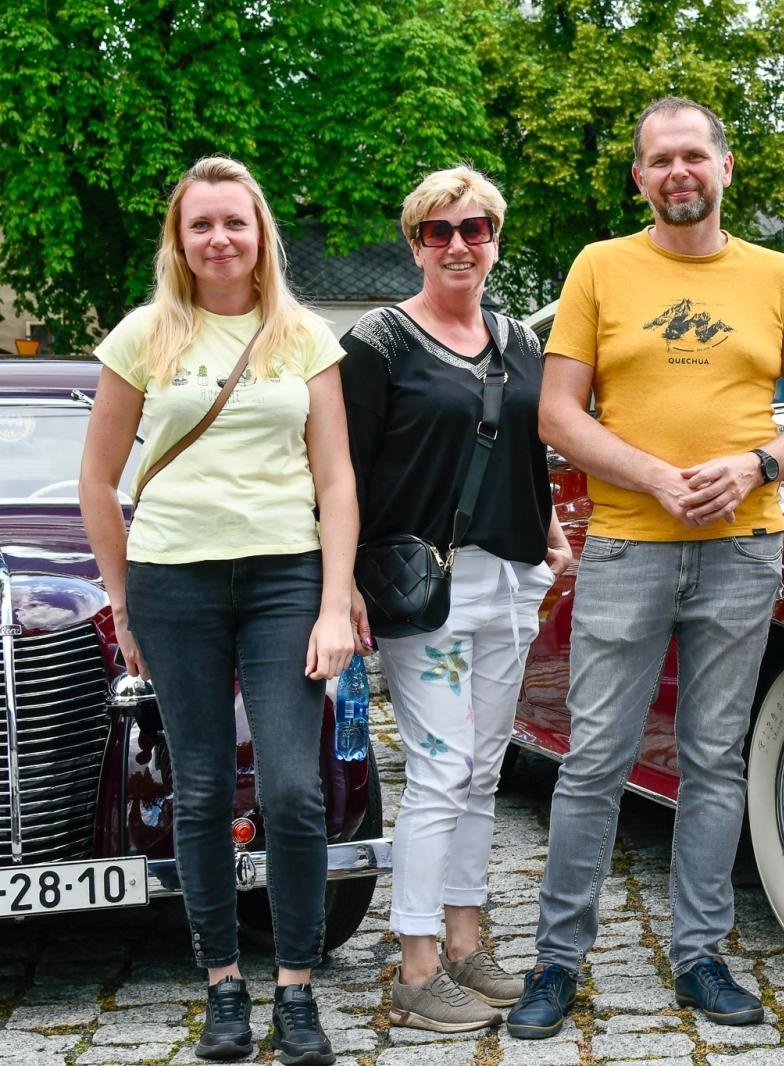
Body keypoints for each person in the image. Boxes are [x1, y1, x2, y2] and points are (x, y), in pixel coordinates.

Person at [507, 96, 784, 1039]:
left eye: (694, 155)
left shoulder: (776, 276)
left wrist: (756, 465)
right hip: (625, 543)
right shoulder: (600, 267)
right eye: (660, 160)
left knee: (714, 758)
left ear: (725, 167)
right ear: (640, 177)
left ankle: (700, 956)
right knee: (594, 759)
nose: (678, 171)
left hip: (742, 544)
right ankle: (557, 962)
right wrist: (656, 477)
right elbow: (557, 414)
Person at [79, 156, 359, 1066]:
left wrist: (333, 602)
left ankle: (297, 991)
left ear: (260, 232)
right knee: (200, 790)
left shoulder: (304, 335)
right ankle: (224, 986)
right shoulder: (143, 336)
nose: (219, 238)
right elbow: (97, 480)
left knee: (292, 789)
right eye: (200, 224)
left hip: (284, 579)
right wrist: (122, 602)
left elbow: (336, 479)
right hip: (174, 583)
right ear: (179, 239)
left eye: (234, 221)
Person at [340, 167, 573, 1033]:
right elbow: (342, 471)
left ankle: (467, 943)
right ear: (415, 244)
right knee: (439, 771)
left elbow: (526, 450)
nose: (458, 245)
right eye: (437, 231)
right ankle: (416, 963)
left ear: (495, 239)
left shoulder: (518, 340)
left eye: (474, 228)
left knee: (482, 770)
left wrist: (550, 536)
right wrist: (341, 583)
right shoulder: (379, 343)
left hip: (509, 578)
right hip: (423, 587)